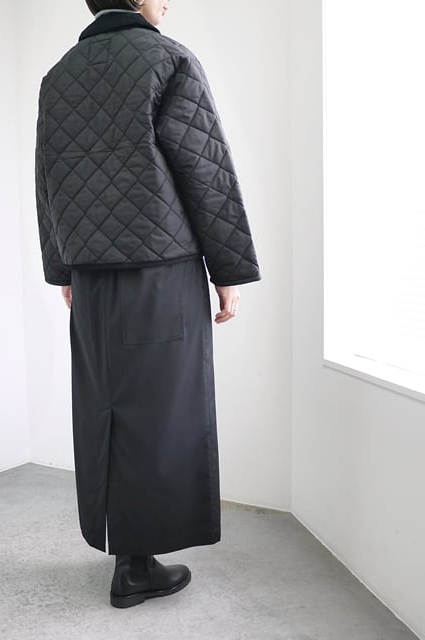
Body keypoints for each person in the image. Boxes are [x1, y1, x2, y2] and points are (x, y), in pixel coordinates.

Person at [35, 0, 261, 608]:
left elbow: (47, 178)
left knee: (106, 409)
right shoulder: (168, 59)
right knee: (164, 412)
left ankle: (128, 555)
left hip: (91, 274)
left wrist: (63, 267)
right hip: (160, 271)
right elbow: (206, 171)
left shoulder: (59, 74)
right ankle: (136, 568)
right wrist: (229, 270)